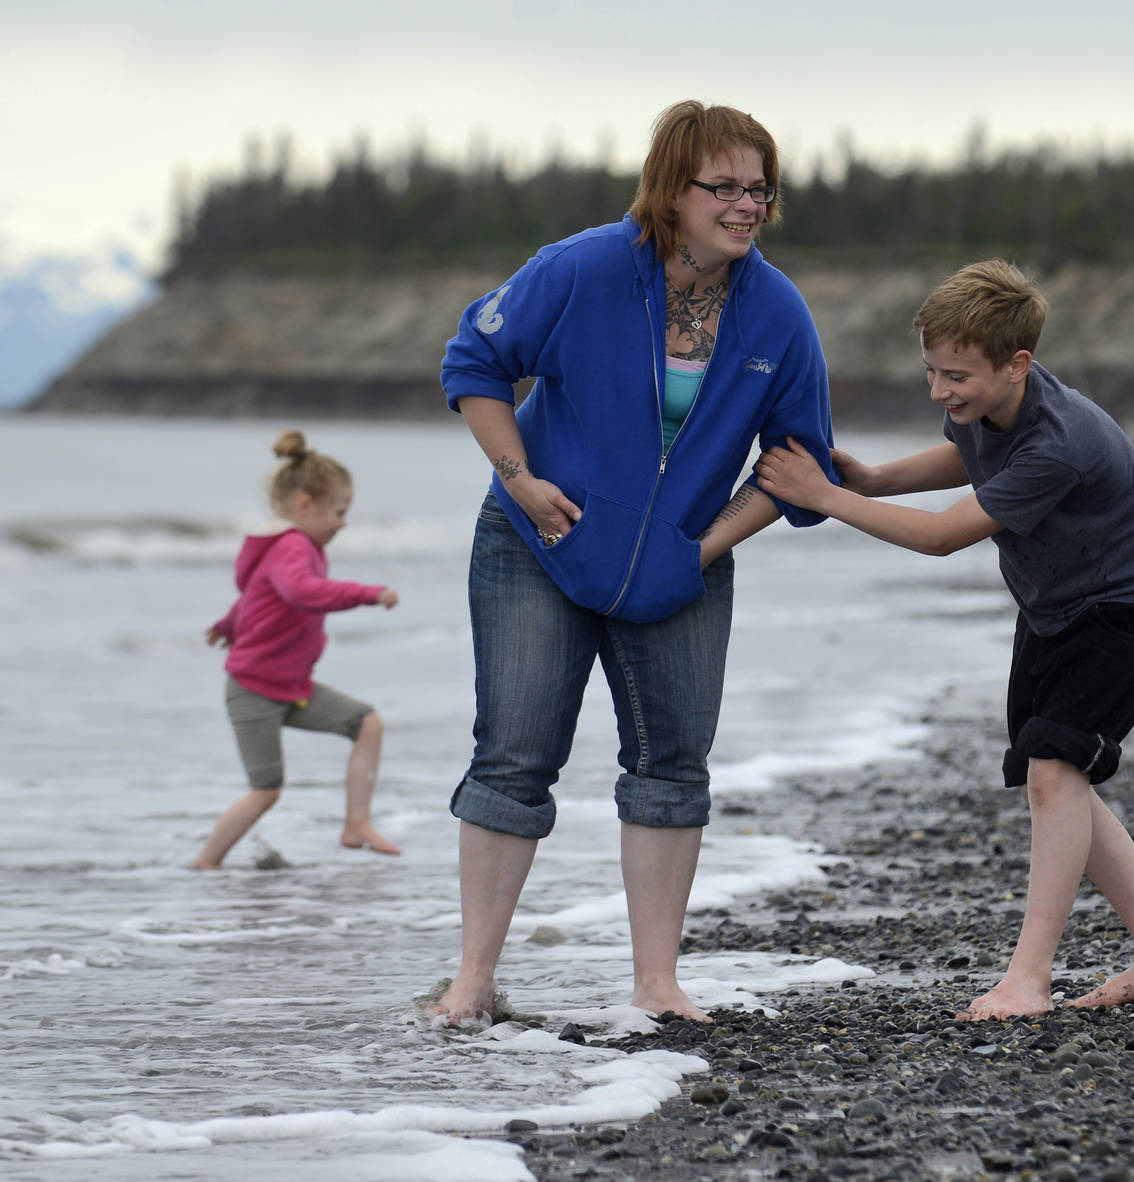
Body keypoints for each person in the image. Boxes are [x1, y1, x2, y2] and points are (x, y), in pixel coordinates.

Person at [426, 101, 838, 1023]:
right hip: (538, 543)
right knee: (514, 756)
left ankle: (657, 985)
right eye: (722, 187)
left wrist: (702, 548)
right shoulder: (581, 268)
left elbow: (796, 464)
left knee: (670, 765)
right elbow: (476, 363)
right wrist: (522, 479)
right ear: (671, 188)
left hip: (681, 568)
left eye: (758, 189)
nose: (745, 206)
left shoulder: (777, 312)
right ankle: (472, 982)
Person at [755, 259, 1134, 1021]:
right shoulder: (984, 406)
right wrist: (873, 480)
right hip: (1054, 610)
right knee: (1053, 778)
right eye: (930, 372)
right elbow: (968, 457)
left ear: (1018, 363)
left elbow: (942, 538)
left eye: (955, 376)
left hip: (1125, 612)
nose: (940, 391)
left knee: (1054, 775)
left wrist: (825, 497)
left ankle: (1028, 979)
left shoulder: (1059, 440)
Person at [194, 430, 402, 870]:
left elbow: (255, 595)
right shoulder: (293, 546)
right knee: (266, 789)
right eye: (340, 512)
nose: (344, 523)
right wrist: (368, 593)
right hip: (254, 691)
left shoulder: (290, 547)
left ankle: (356, 825)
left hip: (292, 688)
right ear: (305, 505)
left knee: (367, 723)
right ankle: (206, 863)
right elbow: (303, 592)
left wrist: (230, 624)